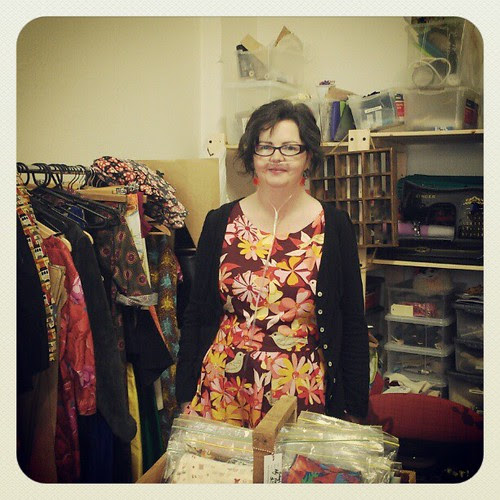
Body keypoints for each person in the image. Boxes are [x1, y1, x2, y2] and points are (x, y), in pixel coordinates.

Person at [175, 99, 369, 428]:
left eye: (290, 147)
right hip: (222, 388)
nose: (276, 157)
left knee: (291, 462)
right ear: (252, 155)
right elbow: (196, 313)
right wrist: (184, 392)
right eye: (265, 146)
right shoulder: (220, 221)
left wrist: (354, 407)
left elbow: (352, 322)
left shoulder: (334, 226)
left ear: (308, 157)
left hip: (299, 389)